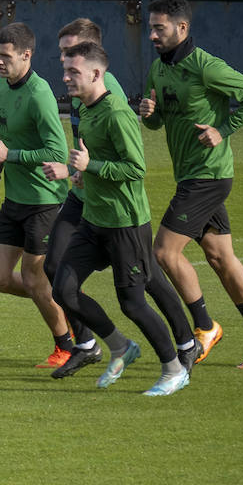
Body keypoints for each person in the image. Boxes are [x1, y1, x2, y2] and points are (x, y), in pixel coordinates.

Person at [43, 19, 200, 378]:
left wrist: (89, 165)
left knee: (135, 297)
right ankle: (116, 346)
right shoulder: (84, 105)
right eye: (63, 61)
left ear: (95, 68)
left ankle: (178, 361)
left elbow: (135, 168)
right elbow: (93, 153)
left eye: (72, 62)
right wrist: (81, 171)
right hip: (93, 215)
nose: (65, 71)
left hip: (124, 220)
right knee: (63, 287)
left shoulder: (114, 108)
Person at [139, 0, 243, 369]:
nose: (152, 34)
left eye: (159, 28)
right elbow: (157, 123)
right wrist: (148, 114)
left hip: (208, 176)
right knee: (219, 256)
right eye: (150, 27)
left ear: (182, 28)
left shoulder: (206, 66)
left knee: (164, 252)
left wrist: (223, 129)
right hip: (190, 174)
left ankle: (203, 327)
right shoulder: (159, 69)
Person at [0, 22, 73, 368]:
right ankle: (66, 306)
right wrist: (0, 166)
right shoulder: (4, 87)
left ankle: (65, 344)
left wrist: (12, 157)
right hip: (14, 199)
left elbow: (57, 150)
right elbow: (13, 140)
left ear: (27, 55)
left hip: (44, 202)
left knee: (35, 278)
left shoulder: (40, 94)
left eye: (6, 57)